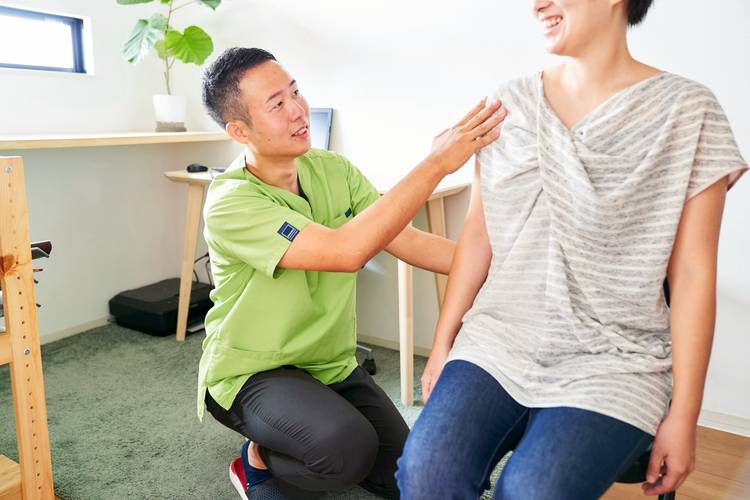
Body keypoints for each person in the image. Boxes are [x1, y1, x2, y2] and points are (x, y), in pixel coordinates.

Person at [396, 1, 747, 498]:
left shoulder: (689, 112)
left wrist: (685, 415)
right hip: (498, 341)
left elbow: (692, 273)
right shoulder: (506, 105)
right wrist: (442, 343)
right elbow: (479, 235)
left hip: (615, 358)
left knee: (534, 489)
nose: (537, 4)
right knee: (426, 473)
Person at [196, 47, 506, 499]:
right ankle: (257, 459)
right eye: (277, 104)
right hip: (253, 373)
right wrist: (436, 162)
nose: (298, 110)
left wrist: (507, 265)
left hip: (329, 364)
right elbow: (346, 252)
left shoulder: (332, 169)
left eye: (295, 92)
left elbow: (409, 241)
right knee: (345, 450)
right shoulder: (231, 202)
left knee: (417, 476)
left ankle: (317, 427)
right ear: (239, 130)